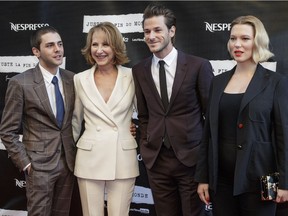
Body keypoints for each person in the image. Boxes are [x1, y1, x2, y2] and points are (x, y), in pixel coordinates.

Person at [195, 15, 288, 216]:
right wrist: (203, 177)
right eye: (233, 38)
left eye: (245, 38)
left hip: (262, 179)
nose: (237, 44)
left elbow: (284, 136)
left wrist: (285, 182)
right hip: (222, 180)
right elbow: (208, 134)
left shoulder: (276, 82)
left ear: (258, 41)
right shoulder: (217, 82)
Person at [132, 3, 214, 216]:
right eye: (147, 31)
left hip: (191, 160)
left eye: (157, 30)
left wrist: (204, 160)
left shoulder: (198, 66)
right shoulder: (139, 70)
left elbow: (211, 116)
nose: (151, 36)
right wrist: (146, 145)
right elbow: (144, 115)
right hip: (157, 160)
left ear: (172, 31)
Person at [0, 26, 76, 216]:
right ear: (36, 51)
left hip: (68, 164)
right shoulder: (20, 83)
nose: (57, 49)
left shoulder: (72, 79)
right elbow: (7, 131)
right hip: (39, 167)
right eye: (50, 45)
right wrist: (27, 164)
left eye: (59, 44)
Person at [72, 21, 139, 216]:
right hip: (89, 158)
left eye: (105, 44)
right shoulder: (80, 79)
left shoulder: (133, 76)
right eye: (95, 44)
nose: (99, 50)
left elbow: (145, 115)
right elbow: (75, 122)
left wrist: (135, 128)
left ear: (115, 47)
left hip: (122, 157)